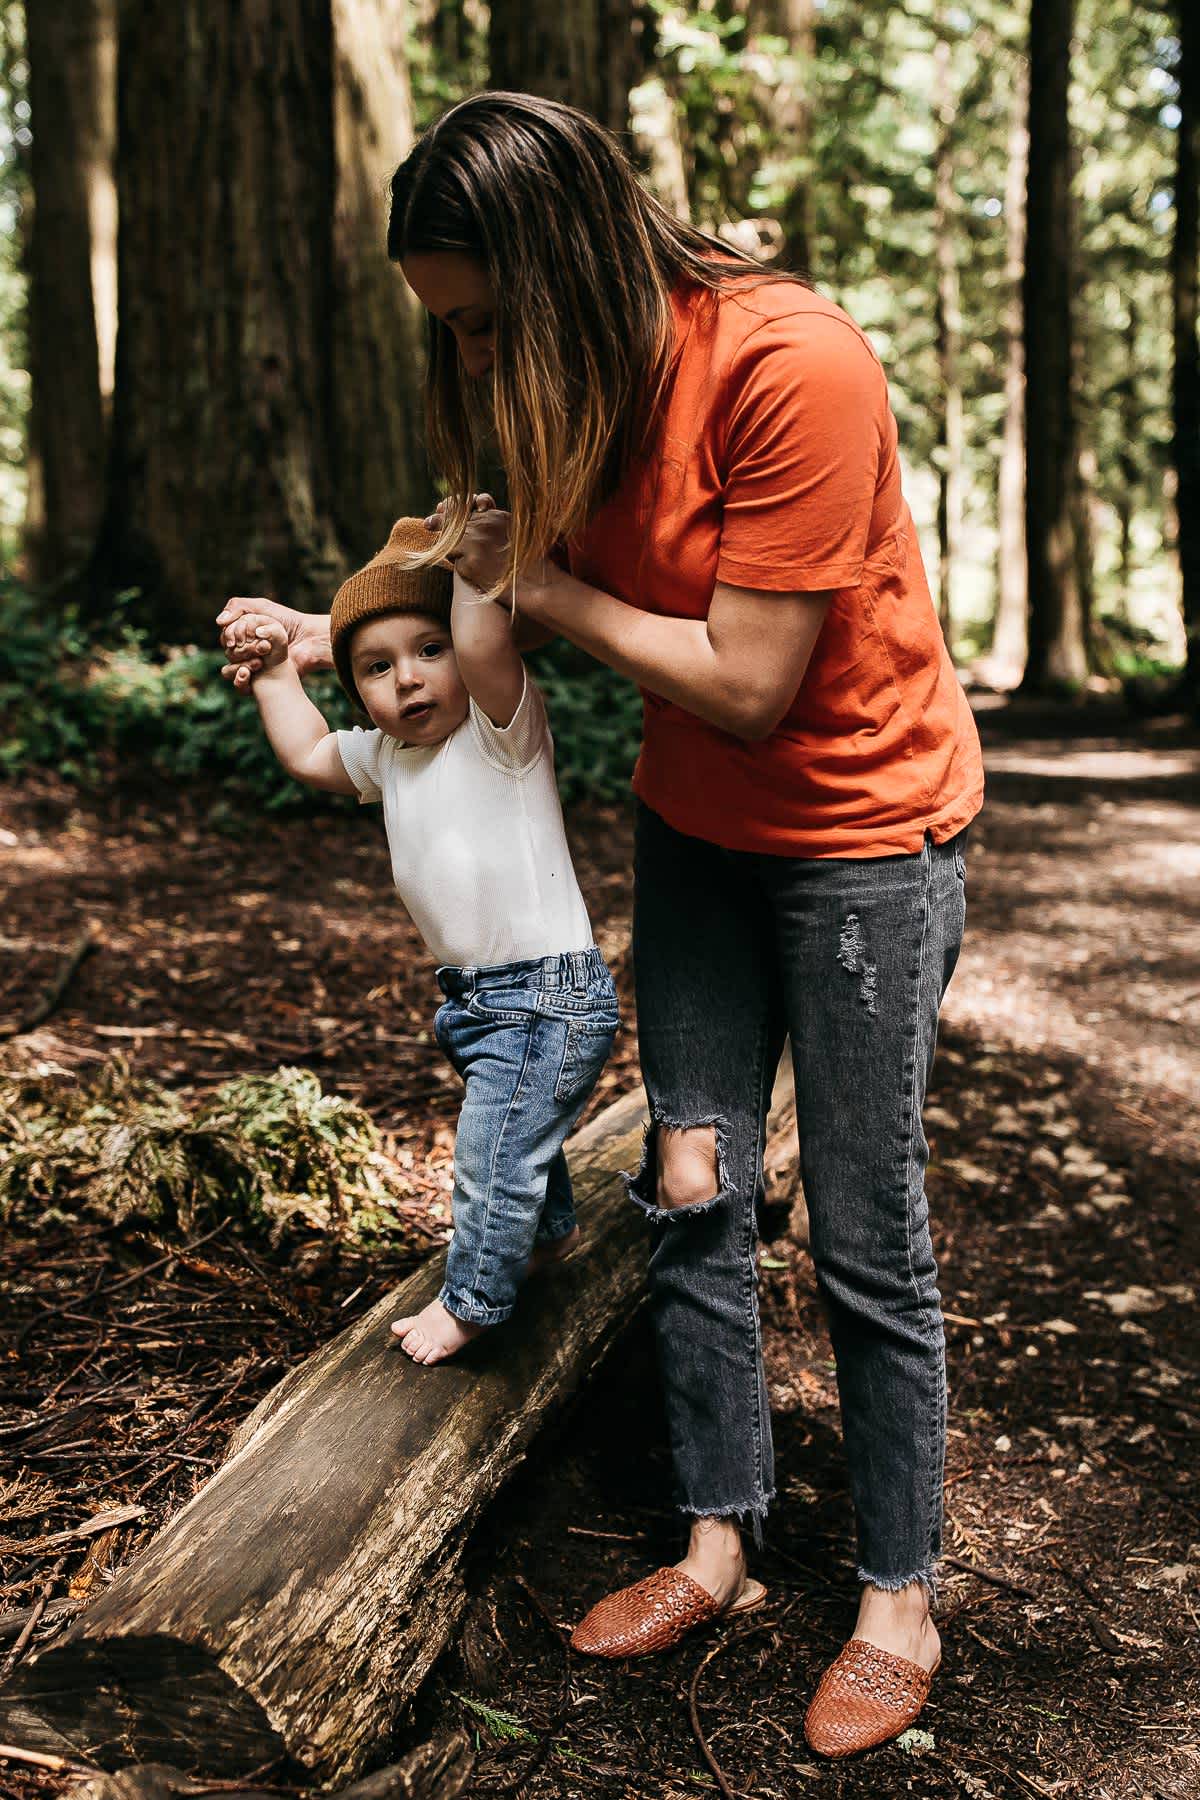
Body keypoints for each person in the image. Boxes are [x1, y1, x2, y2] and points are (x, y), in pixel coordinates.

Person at [218, 91, 984, 1757]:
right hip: (698, 830)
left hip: (861, 831)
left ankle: (900, 1590)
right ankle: (719, 1541)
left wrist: (543, 589)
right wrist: (310, 627)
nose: (476, 364)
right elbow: (440, 588)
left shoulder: (795, 366)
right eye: (452, 332)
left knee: (865, 1227)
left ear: (562, 270)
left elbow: (757, 683)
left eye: (489, 323)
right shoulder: (546, 387)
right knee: (689, 1180)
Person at [220, 516, 618, 1365]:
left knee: (490, 1153)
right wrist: (274, 672)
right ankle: (546, 1235)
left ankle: (474, 1299)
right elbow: (306, 752)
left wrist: (471, 570)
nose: (408, 680)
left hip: (546, 996)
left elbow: (482, 638)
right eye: (376, 666)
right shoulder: (388, 757)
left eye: (429, 650)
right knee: (516, 1136)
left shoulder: (501, 728)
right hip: (480, 1002)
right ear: (357, 686)